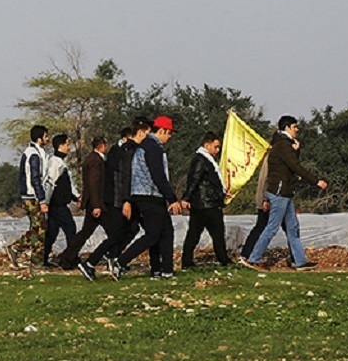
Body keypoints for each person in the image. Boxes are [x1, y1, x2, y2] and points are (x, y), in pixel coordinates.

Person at [243, 116, 327, 270]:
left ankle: (300, 261)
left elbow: (291, 166)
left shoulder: (285, 145)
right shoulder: (283, 145)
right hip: (280, 192)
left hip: (286, 192)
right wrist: (316, 181)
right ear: (287, 127)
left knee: (292, 227)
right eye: (295, 127)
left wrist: (297, 150)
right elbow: (296, 167)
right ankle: (253, 259)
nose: (297, 130)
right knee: (272, 227)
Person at [116, 116, 181, 279]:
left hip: (146, 195)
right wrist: (172, 198)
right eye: (169, 133)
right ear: (162, 130)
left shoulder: (146, 145)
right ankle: (120, 262)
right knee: (152, 235)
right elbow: (158, 175)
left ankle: (163, 270)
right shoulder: (152, 147)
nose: (170, 136)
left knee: (165, 232)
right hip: (149, 195)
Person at [82, 123, 147, 280]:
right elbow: (120, 179)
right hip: (117, 200)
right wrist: (125, 201)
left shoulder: (120, 152)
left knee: (129, 230)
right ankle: (93, 261)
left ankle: (112, 257)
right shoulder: (121, 153)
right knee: (117, 233)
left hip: (120, 199)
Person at [180, 132, 233, 269]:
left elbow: (210, 182)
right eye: (215, 147)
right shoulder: (201, 160)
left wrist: (221, 193)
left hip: (208, 201)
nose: (217, 150)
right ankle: (222, 260)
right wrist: (186, 198)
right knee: (208, 233)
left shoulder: (206, 160)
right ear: (207, 145)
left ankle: (188, 261)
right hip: (205, 203)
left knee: (202, 233)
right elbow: (194, 180)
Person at [59, 136, 109, 272]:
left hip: (93, 202)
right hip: (96, 204)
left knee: (85, 233)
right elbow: (94, 184)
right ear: (102, 146)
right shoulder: (95, 161)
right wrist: (97, 205)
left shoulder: (92, 159)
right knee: (114, 232)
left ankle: (67, 257)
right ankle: (113, 258)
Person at [6, 125, 50, 269]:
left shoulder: (36, 152)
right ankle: (32, 258)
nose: (47, 139)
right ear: (39, 138)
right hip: (32, 197)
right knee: (40, 229)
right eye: (46, 136)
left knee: (37, 229)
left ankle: (20, 250)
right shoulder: (33, 154)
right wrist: (42, 199)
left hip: (32, 196)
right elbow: (35, 178)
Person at [41, 134, 79, 268]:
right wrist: (45, 202)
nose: (69, 148)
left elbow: (69, 185)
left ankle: (43, 259)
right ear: (60, 146)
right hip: (57, 205)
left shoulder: (61, 162)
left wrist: (77, 197)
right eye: (67, 145)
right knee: (71, 229)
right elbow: (50, 183)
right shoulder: (55, 162)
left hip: (57, 204)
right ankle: (70, 260)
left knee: (52, 233)